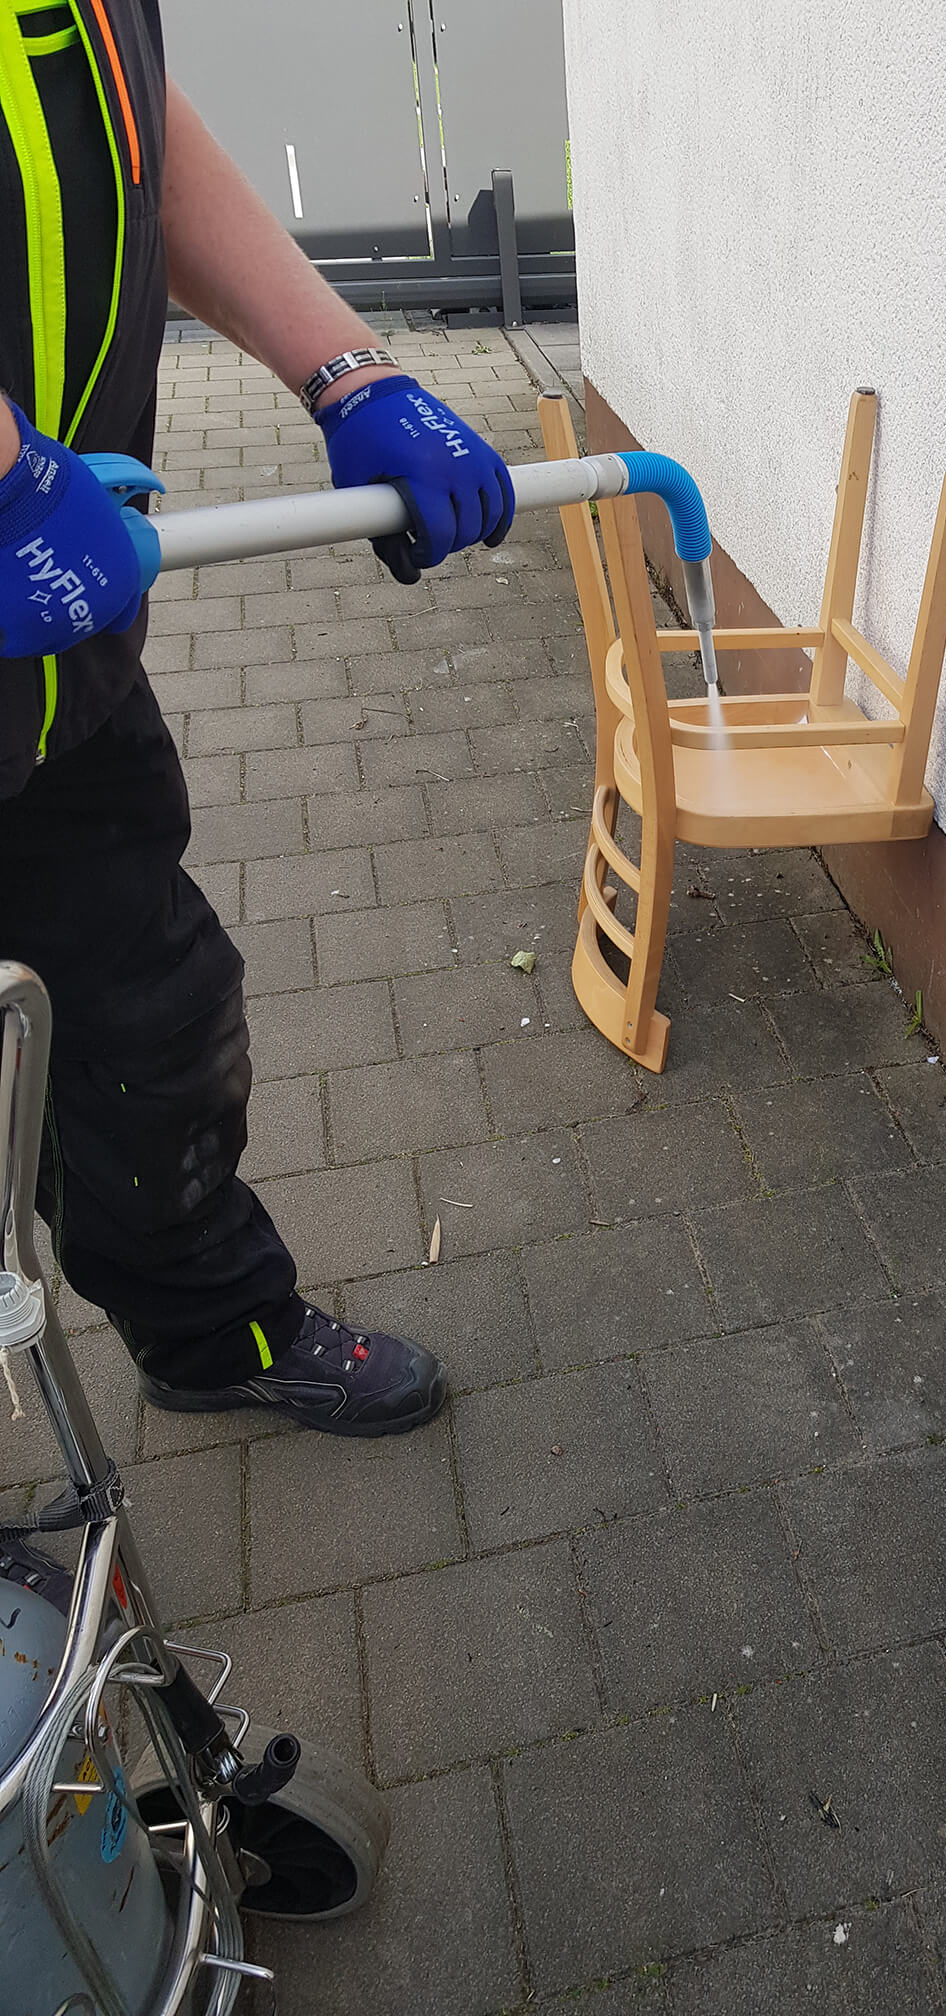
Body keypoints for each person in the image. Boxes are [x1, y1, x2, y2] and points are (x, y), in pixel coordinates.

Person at [0, 1, 514, 1439]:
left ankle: (210, 1334)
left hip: (56, 660)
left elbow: (128, 128)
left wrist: (350, 370)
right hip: (27, 545)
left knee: (151, 1030)